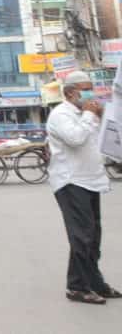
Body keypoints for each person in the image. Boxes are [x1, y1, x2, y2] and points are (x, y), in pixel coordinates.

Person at [47, 70, 119, 305]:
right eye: (85, 89)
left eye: (91, 88)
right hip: (71, 181)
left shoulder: (87, 113)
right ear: (70, 92)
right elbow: (76, 139)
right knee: (82, 236)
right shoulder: (61, 115)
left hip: (91, 180)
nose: (90, 93)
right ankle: (76, 287)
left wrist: (95, 116)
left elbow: (95, 143)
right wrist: (90, 115)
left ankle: (95, 282)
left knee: (93, 235)